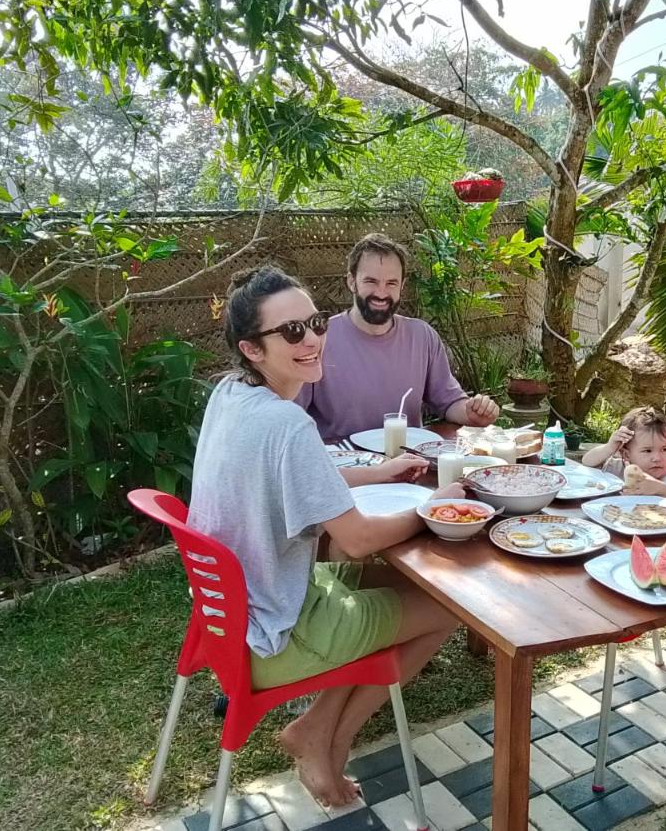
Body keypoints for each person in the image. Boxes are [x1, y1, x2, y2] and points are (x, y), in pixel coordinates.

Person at [188, 265, 462, 809]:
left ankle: (321, 734)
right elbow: (357, 539)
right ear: (252, 348)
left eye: (314, 323)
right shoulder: (286, 424)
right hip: (280, 630)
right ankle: (323, 734)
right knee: (449, 609)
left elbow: (300, 475)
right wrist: (437, 508)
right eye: (291, 332)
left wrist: (378, 473)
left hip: (236, 616)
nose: (311, 339)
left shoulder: (231, 395)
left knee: (383, 581)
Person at [294, 233, 500, 445]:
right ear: (351, 282)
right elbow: (292, 419)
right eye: (371, 281)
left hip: (409, 467)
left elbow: (448, 403)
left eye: (391, 283)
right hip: (345, 469)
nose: (381, 293)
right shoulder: (318, 340)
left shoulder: (422, 337)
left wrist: (471, 412)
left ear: (402, 285)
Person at [581, 406, 666, 510]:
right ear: (626, 455)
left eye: (664, 449)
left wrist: (662, 490)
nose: (657, 458)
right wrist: (609, 447)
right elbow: (587, 462)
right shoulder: (619, 468)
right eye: (647, 451)